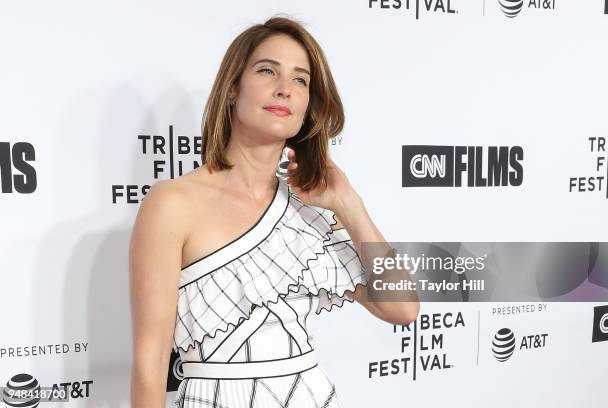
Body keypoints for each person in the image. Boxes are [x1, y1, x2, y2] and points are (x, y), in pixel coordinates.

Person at [129, 15, 420, 408]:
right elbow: (150, 363)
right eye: (268, 71)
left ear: (308, 105)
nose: (285, 89)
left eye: (300, 80)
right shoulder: (173, 203)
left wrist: (350, 205)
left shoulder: (310, 207)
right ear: (233, 88)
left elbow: (402, 308)